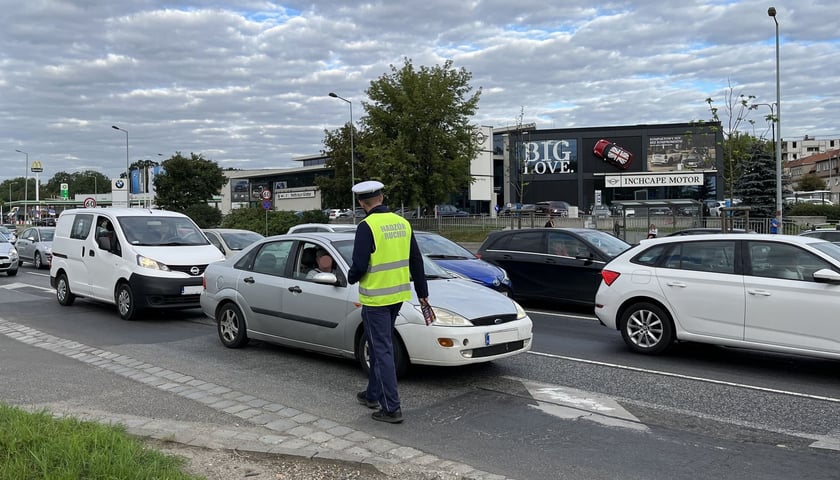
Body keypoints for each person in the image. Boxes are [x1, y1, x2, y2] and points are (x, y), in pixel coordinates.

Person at [347, 180, 429, 424]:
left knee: (381, 348)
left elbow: (360, 265)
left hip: (376, 299)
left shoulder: (366, 226)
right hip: (398, 296)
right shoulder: (403, 223)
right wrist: (423, 292)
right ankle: (372, 393)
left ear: (362, 203)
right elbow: (416, 260)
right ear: (381, 198)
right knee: (378, 344)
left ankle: (391, 407)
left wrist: (350, 277)